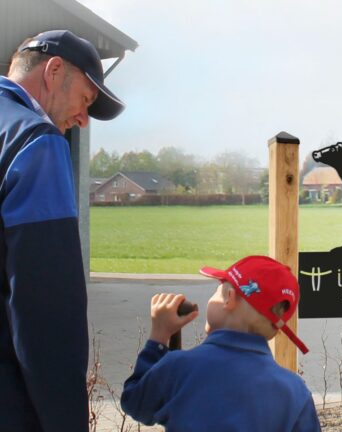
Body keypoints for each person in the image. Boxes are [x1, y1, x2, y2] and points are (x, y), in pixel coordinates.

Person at [0, 30, 125, 431]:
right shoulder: (34, 142)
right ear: (53, 71)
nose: (83, 119)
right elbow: (46, 309)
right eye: (85, 99)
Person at [121, 255, 320, 431]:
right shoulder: (294, 391)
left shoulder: (179, 367)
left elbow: (136, 404)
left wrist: (159, 336)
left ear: (229, 299)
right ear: (276, 328)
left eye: (216, 291)